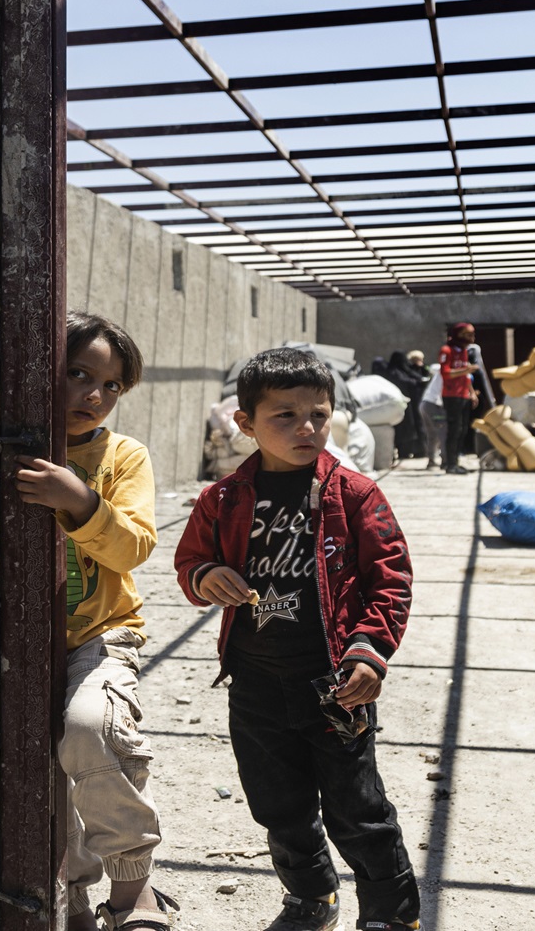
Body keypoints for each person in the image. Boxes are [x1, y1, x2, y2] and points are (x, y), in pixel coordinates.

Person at [173, 347, 421, 931]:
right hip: (255, 683)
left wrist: (370, 652)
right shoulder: (223, 499)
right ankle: (311, 897)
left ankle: (391, 914)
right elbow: (189, 562)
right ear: (245, 424)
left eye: (318, 413)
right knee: (277, 804)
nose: (306, 428)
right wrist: (207, 577)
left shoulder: (355, 495)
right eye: (284, 416)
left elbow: (392, 578)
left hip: (335, 685)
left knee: (357, 810)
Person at [15, 313, 175, 931]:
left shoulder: (121, 455)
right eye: (78, 374)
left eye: (111, 386)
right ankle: (75, 902)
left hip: (102, 632)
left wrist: (79, 499)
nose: (94, 395)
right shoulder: (17, 447)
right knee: (42, 766)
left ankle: (133, 890)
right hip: (23, 639)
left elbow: (134, 545)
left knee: (89, 727)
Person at [438, 321, 481, 474]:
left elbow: (466, 375)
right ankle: (450, 464)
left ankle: (456, 462)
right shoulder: (446, 350)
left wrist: (471, 392)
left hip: (463, 395)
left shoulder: (463, 351)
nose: (472, 337)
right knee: (454, 430)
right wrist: (466, 369)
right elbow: (446, 373)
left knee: (462, 430)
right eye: (469, 334)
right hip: (451, 395)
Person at [417, 356, 445, 469]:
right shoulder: (448, 373)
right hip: (434, 405)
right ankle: (446, 460)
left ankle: (432, 460)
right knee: (442, 432)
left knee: (432, 434)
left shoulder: (440, 371)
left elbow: (433, 367)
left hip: (425, 404)